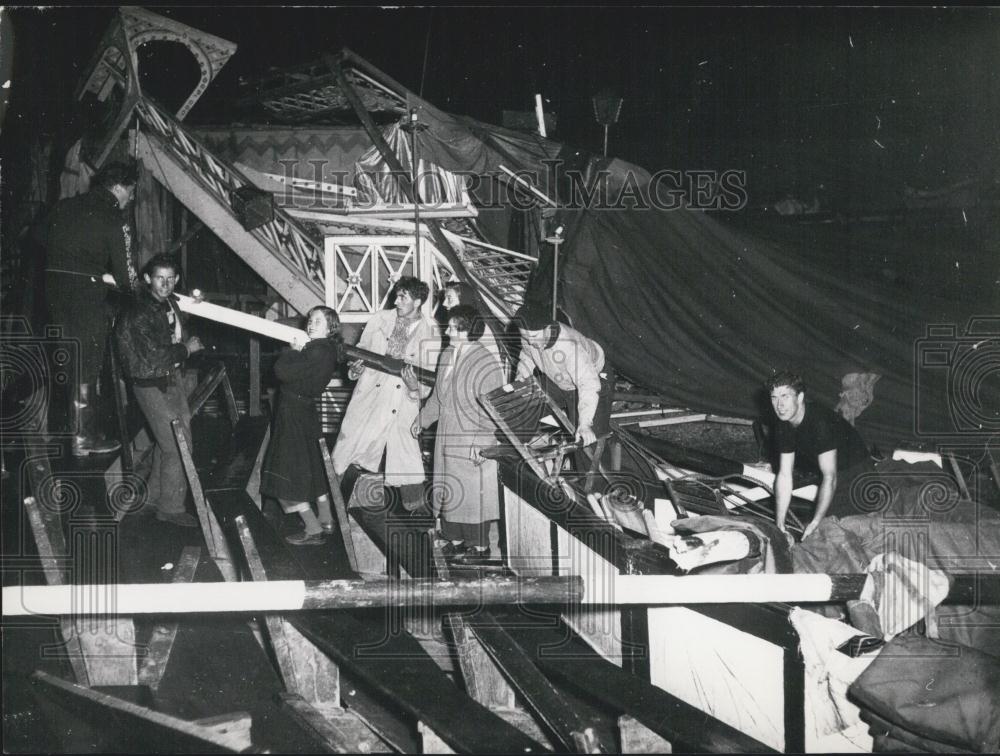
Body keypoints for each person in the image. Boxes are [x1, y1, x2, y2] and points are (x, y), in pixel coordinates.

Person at [39, 161, 140, 455]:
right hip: (86, 295)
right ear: (120, 187)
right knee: (88, 362)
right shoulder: (114, 218)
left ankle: (61, 430)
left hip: (54, 288)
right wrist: (141, 295)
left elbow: (40, 239)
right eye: (131, 191)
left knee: (68, 357)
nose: (131, 198)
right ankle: (83, 439)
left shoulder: (64, 206)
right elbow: (127, 275)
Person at [332, 277, 441, 511]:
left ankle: (419, 520)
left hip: (402, 401)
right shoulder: (379, 320)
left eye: (404, 297)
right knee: (347, 449)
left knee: (406, 461)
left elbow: (429, 374)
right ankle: (332, 509)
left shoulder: (430, 330)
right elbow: (361, 354)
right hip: (371, 395)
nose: (397, 301)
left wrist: (414, 387)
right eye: (397, 295)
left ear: (418, 301)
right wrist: (355, 368)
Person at [410, 305, 504, 564]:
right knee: (450, 490)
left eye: (452, 327)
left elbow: (493, 407)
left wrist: (484, 443)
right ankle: (456, 541)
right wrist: (422, 420)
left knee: (473, 495)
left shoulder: (485, 361)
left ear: (467, 331)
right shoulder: (448, 354)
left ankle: (480, 546)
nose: (447, 330)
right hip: (448, 432)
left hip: (473, 436)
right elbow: (439, 397)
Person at [115, 254, 203, 528]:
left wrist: (194, 305)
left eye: (170, 279)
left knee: (175, 439)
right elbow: (152, 357)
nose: (165, 284)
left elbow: (171, 325)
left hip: (168, 377)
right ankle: (171, 508)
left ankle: (153, 498)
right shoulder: (140, 311)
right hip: (150, 382)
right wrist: (186, 349)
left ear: (176, 279)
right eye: (159, 279)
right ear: (147, 279)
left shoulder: (166, 302)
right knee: (178, 445)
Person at [260, 306, 343, 546]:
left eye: (318, 321)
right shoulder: (324, 350)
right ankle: (326, 519)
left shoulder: (315, 350)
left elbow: (282, 371)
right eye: (310, 319)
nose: (311, 323)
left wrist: (292, 351)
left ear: (330, 328)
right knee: (311, 468)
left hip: (293, 413)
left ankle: (313, 527)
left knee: (285, 473)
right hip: (304, 411)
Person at [767, 371, 875, 540]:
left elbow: (830, 477)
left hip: (858, 474)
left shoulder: (819, 423)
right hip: (833, 472)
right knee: (816, 529)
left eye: (785, 396)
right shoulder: (783, 424)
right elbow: (784, 475)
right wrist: (779, 523)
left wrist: (816, 522)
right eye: (774, 398)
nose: (779, 405)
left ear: (800, 397)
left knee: (828, 530)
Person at [513, 301, 615, 448]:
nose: (530, 341)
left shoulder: (568, 346)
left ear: (547, 328)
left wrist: (585, 423)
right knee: (527, 396)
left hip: (594, 379)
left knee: (585, 440)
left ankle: (589, 469)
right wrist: (521, 373)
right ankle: (513, 445)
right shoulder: (530, 334)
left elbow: (588, 384)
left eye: (534, 336)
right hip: (561, 379)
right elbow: (528, 355)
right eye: (526, 337)